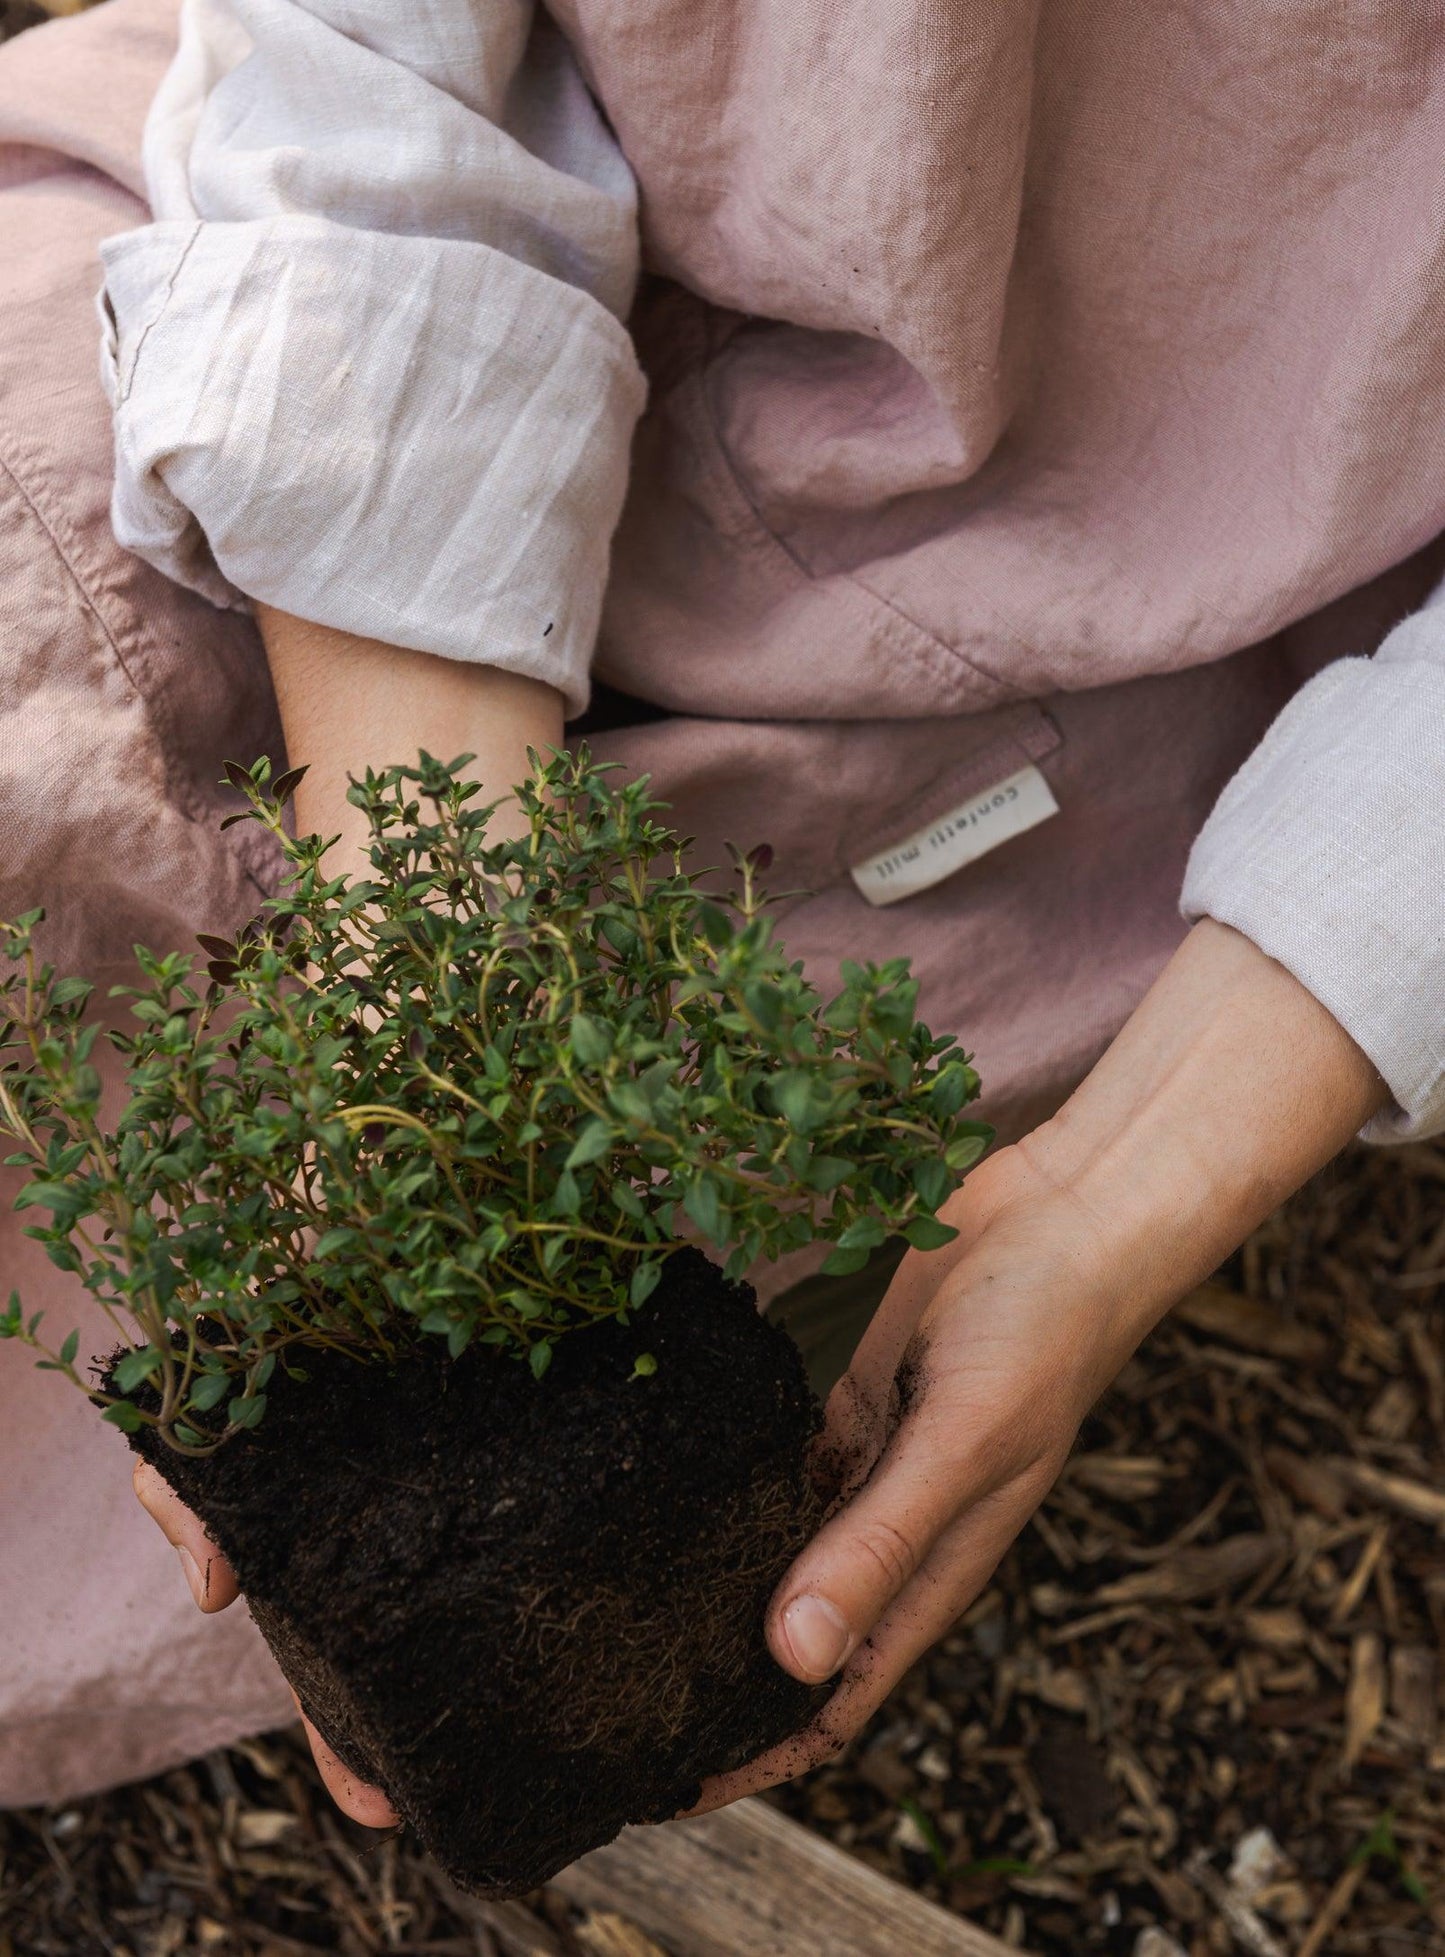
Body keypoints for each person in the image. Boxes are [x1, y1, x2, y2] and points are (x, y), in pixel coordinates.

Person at [1, 0, 1441, 1828]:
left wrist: (1109, 1196)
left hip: (1080, 665)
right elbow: (365, 71)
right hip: (312, 355)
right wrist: (411, 974)